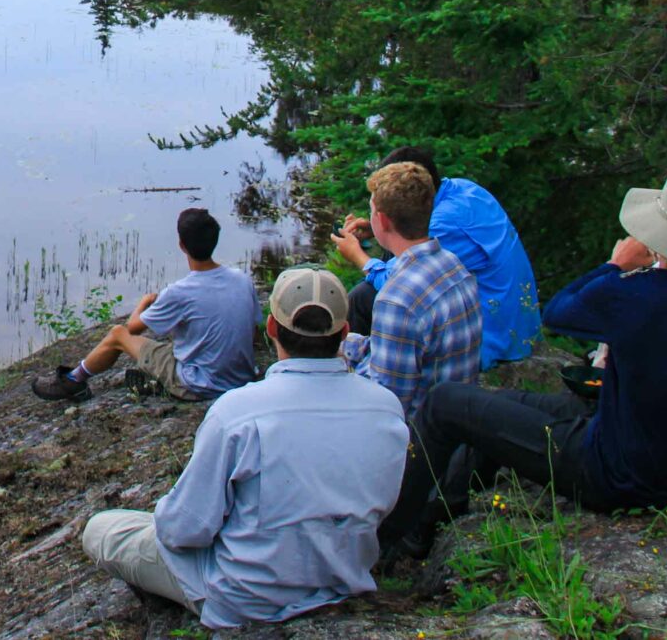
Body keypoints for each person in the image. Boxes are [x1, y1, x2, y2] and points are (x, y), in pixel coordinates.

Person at [378, 164, 667, 554]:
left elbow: (561, 312)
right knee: (496, 406)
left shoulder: (635, 294)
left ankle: (389, 538)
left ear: (661, 236)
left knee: (447, 402)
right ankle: (440, 513)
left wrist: (616, 265)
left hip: (610, 473)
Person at [79, 267, 409, 628]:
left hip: (246, 599)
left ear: (271, 329)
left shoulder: (237, 412)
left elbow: (182, 531)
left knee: (102, 529)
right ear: (344, 333)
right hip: (342, 579)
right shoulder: (386, 407)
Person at [332, 147, 541, 369]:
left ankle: (357, 370)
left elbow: (401, 284)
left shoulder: (442, 225)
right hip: (515, 316)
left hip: (491, 335)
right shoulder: (463, 189)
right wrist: (379, 228)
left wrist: (358, 255)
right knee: (372, 281)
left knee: (361, 297)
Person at [33, 208, 258, 402]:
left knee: (117, 334)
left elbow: (133, 328)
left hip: (201, 385)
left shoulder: (180, 292)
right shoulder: (241, 279)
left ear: (182, 245)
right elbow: (252, 326)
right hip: (242, 378)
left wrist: (143, 303)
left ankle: (73, 380)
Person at [338, 162, 482, 419]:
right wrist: (340, 343)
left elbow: (384, 403)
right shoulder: (453, 264)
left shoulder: (396, 299)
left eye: (371, 211)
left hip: (420, 436)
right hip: (458, 415)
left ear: (381, 220)